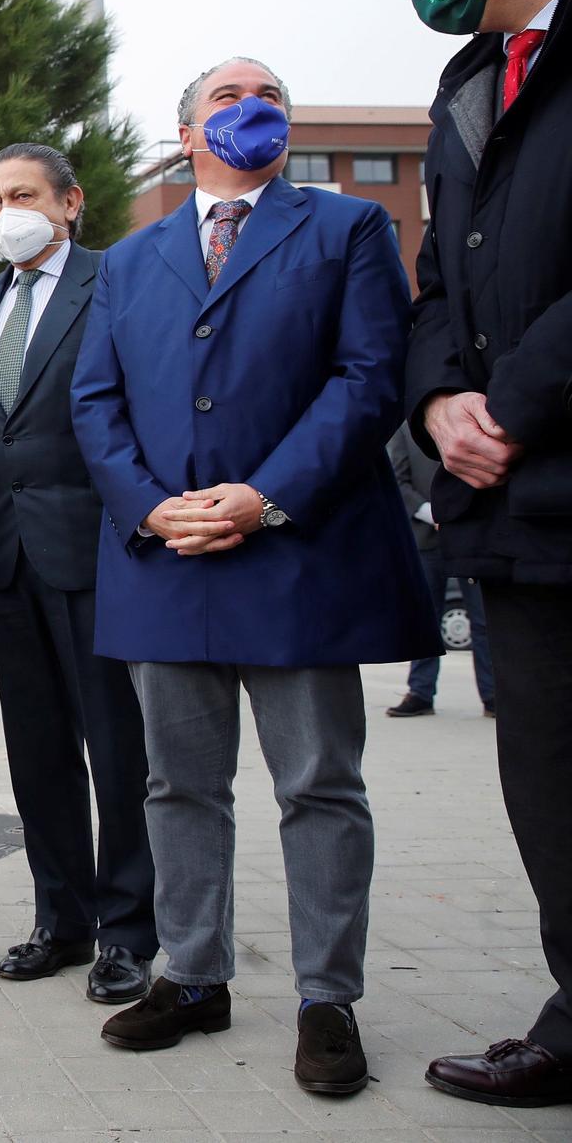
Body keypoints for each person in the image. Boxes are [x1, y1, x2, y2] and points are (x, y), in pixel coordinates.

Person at [70, 59, 437, 1094]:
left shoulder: (345, 230)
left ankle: (327, 998)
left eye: (267, 94)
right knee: (175, 785)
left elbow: (368, 377)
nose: (251, 109)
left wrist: (261, 495)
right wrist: (148, 505)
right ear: (184, 132)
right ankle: (190, 974)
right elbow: (93, 403)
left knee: (317, 784)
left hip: (294, 556)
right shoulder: (128, 261)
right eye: (227, 97)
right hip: (164, 561)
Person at [407, 0, 572, 1108]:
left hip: (550, 455)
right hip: (506, 509)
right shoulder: (469, 84)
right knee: (544, 786)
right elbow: (435, 284)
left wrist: (508, 401)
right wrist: (437, 400)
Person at [0, 145, 157, 1004]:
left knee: (116, 751)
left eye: (24, 194)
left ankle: (130, 931)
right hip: (6, 561)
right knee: (37, 756)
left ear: (69, 202)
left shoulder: (118, 280)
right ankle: (60, 918)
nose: (9, 212)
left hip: (99, 555)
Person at [384, 425, 495, 718]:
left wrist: (455, 512)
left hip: (470, 534)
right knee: (425, 619)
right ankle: (420, 692)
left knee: (483, 620)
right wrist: (433, 513)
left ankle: (493, 695)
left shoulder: (473, 420)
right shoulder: (404, 430)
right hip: (425, 537)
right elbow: (398, 480)